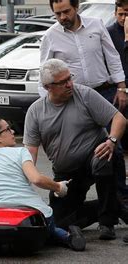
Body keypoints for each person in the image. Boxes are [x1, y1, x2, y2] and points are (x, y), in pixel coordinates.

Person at [24, 59, 128, 240]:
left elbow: (119, 118)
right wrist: (25, 181)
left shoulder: (84, 94)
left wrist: (111, 140)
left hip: (94, 156)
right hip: (66, 171)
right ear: (48, 87)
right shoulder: (35, 111)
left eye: (69, 78)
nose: (69, 84)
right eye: (63, 82)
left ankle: (107, 222)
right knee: (59, 221)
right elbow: (29, 153)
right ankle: (111, 207)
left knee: (105, 157)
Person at [0, 117, 85, 251]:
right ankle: (69, 237)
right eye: (7, 129)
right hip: (33, 219)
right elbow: (36, 179)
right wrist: (58, 186)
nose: (12, 131)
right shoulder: (21, 152)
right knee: (51, 230)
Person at [40, 0, 127, 113]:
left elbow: (112, 57)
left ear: (76, 7)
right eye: (58, 14)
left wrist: (121, 88)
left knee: (110, 129)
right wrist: (47, 104)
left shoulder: (96, 25)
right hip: (72, 98)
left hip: (103, 94)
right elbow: (45, 73)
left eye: (66, 11)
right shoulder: (50, 36)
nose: (62, 17)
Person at [106, 0, 128, 199]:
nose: (124, 19)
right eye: (120, 14)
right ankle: (121, 193)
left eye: (127, 14)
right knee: (117, 147)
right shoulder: (110, 32)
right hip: (117, 94)